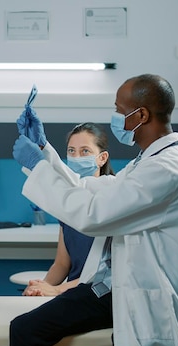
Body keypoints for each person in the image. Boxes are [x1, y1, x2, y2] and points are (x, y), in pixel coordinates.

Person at [10, 74, 178, 346]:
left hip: (157, 305)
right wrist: (43, 152)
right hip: (131, 294)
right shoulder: (146, 163)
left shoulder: (165, 170)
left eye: (120, 111)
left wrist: (38, 167)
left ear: (141, 115)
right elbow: (89, 189)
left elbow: (93, 214)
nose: (116, 117)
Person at [22, 122, 115, 297]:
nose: (76, 157)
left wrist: (56, 290)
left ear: (102, 158)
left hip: (98, 293)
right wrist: (40, 288)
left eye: (85, 151)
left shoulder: (112, 199)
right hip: (70, 292)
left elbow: (105, 271)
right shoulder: (68, 202)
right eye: (71, 151)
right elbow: (62, 264)